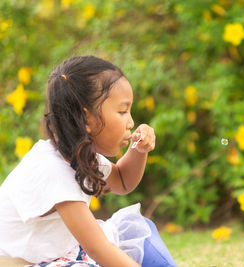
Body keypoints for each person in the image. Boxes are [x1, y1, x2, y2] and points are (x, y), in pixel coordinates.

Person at [0, 56, 178, 267]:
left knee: (139, 231)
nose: (131, 122)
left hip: (65, 253)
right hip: (22, 263)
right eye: (122, 111)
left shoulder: (78, 155)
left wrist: (138, 150)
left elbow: (122, 180)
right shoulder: (52, 170)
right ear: (86, 120)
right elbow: (98, 248)